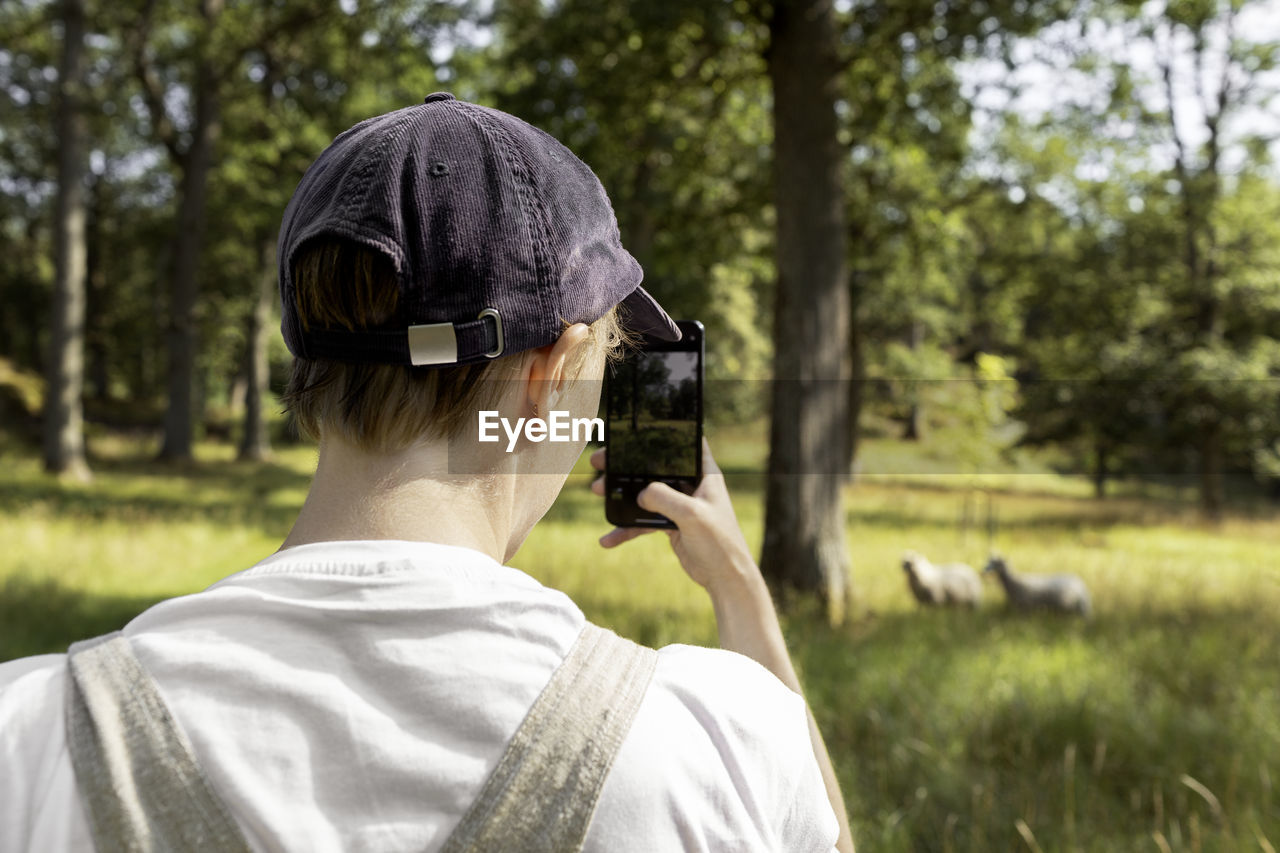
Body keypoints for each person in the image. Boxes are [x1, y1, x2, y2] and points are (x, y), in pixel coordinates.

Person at [0, 93, 854, 852]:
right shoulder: (715, 742)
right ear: (549, 375)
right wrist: (739, 586)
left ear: (309, 361)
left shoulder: (31, 733)